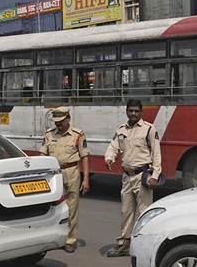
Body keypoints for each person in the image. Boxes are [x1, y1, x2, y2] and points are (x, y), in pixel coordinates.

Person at [104, 99, 161, 258]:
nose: (133, 114)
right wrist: (109, 158)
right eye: (131, 111)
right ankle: (124, 244)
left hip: (143, 177)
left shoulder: (149, 129)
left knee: (144, 213)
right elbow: (113, 147)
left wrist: (155, 176)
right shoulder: (121, 130)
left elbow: (156, 155)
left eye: (136, 111)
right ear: (127, 111)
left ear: (141, 112)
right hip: (127, 177)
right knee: (126, 212)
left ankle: (146, 246)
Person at [40, 106, 90, 253]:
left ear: (68, 118)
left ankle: (70, 239)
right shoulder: (49, 135)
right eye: (56, 121)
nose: (58, 124)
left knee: (71, 208)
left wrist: (86, 179)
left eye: (61, 121)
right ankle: (53, 236)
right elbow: (42, 154)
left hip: (71, 172)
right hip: (53, 173)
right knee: (51, 206)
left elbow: (84, 157)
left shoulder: (78, 135)